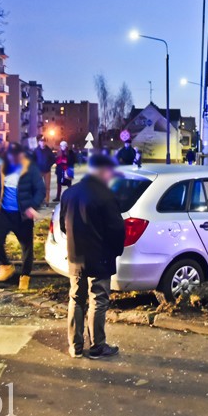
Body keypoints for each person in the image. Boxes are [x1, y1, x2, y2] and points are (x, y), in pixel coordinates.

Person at [59, 154, 125, 359]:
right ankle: (97, 346)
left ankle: (75, 346)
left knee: (76, 297)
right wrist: (115, 251)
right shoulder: (106, 196)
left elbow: (63, 225)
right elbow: (116, 230)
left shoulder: (69, 194)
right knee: (98, 298)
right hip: (101, 256)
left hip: (75, 255)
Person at [0, 143, 45, 290]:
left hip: (22, 216)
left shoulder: (30, 169)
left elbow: (40, 190)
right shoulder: (2, 169)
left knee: (26, 247)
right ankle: (6, 266)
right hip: (4, 213)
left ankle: (25, 276)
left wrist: (33, 206)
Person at [35, 136, 56, 205]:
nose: (43, 143)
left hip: (47, 171)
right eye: (41, 141)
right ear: (39, 142)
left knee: (47, 187)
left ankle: (47, 201)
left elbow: (53, 159)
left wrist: (49, 165)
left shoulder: (48, 150)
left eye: (44, 141)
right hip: (39, 171)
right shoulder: (36, 150)